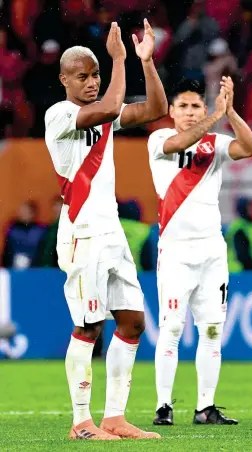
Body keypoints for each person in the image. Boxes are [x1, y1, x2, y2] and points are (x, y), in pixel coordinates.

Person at [45, 20, 167, 440]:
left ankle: (114, 418)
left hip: (111, 232)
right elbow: (112, 108)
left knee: (132, 322)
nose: (92, 82)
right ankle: (81, 423)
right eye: (84, 76)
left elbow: (154, 109)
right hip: (82, 232)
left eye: (96, 74)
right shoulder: (60, 115)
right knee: (89, 327)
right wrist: (119, 59)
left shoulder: (103, 118)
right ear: (64, 79)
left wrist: (145, 62)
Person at [147, 76, 252, 425]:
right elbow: (184, 141)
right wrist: (215, 115)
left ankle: (205, 408)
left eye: (197, 105)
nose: (191, 112)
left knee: (212, 330)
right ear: (171, 110)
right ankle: (164, 406)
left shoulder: (216, 143)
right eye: (184, 106)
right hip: (176, 253)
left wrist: (232, 112)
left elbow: (251, 147)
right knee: (172, 328)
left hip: (212, 252)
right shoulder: (160, 139)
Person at [226, 197, 252, 272]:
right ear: (243, 209)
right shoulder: (240, 228)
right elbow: (242, 255)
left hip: (250, 272)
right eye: (250, 208)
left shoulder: (250, 227)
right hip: (241, 272)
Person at [2, 201, 45, 268]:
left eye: (26, 211)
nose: (23, 214)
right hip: (13, 268)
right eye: (21, 211)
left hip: (35, 269)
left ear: (33, 213)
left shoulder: (41, 230)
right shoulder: (12, 228)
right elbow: (7, 250)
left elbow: (43, 251)